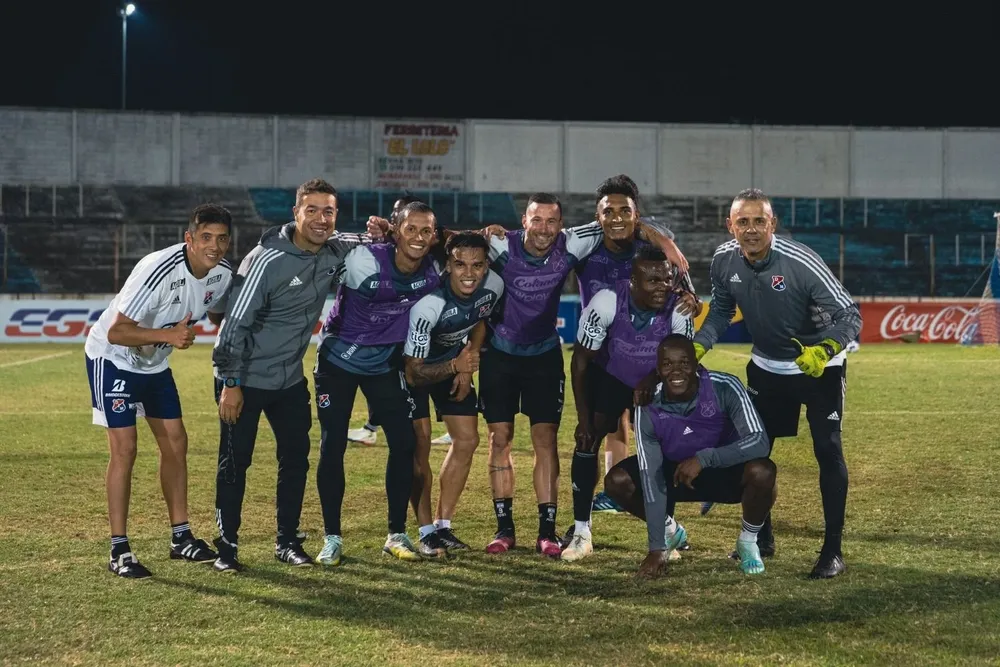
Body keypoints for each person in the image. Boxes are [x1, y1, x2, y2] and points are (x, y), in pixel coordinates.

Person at [479, 192, 686, 557]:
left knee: (647, 442)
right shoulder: (578, 244)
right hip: (590, 360)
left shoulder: (642, 251)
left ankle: (564, 527)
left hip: (630, 364)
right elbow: (452, 242)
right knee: (533, 438)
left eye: (551, 221)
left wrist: (664, 241)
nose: (544, 228)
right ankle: (533, 528)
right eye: (536, 220)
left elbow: (667, 280)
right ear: (524, 221)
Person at [692, 187, 862, 579]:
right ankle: (760, 536)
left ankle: (832, 550)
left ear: (773, 224)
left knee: (828, 449)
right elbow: (720, 309)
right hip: (767, 367)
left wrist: (826, 349)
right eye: (743, 222)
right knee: (755, 451)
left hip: (820, 367)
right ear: (730, 225)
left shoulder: (801, 261)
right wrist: (699, 346)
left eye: (759, 221)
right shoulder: (723, 259)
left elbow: (849, 314)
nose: (751, 230)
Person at [212, 178, 369, 573]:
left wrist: (379, 230)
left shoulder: (333, 249)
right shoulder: (266, 259)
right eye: (311, 210)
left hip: (288, 381)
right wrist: (230, 384)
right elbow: (232, 327)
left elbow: (362, 240)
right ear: (295, 213)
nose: (320, 219)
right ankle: (227, 547)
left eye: (328, 211)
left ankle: (286, 541)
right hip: (243, 379)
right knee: (234, 465)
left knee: (295, 460)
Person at [85, 204, 234, 578]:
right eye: (205, 238)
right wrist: (168, 335)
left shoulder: (223, 275)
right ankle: (119, 548)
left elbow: (217, 309)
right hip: (114, 357)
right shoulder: (158, 269)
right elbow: (117, 330)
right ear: (189, 238)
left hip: (154, 365)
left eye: (221, 239)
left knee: (176, 441)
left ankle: (180, 537)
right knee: (125, 449)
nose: (213, 247)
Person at [314, 201, 442, 564]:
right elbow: (325, 249)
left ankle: (395, 533)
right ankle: (332, 537)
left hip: (383, 363)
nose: (418, 237)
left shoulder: (433, 269)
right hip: (338, 361)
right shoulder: (364, 261)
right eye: (410, 229)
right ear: (395, 231)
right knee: (332, 444)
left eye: (426, 231)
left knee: (404, 444)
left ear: (434, 237)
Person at [573, 174, 701, 514]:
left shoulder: (655, 252)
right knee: (609, 425)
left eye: (625, 212)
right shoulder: (585, 245)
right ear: (597, 216)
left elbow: (685, 289)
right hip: (604, 357)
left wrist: (690, 295)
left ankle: (683, 492)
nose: (616, 219)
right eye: (608, 212)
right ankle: (604, 499)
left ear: (636, 214)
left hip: (651, 356)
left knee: (661, 433)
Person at [561, 246, 695, 562]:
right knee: (587, 440)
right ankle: (582, 532)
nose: (663, 287)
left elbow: (683, 365)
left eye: (667, 279)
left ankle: (664, 534)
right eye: (653, 281)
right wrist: (583, 418)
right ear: (632, 281)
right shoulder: (607, 301)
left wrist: (652, 380)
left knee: (665, 450)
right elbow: (580, 361)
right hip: (610, 376)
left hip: (657, 381)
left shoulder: (679, 308)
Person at [603, 335, 776, 577]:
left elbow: (759, 441)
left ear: (697, 365)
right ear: (658, 369)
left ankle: (748, 542)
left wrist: (705, 459)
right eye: (667, 364)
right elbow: (650, 474)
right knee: (617, 480)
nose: (676, 371)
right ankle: (671, 532)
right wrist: (656, 549)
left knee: (763, 471)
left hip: (724, 475)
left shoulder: (725, 386)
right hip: (675, 477)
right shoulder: (647, 402)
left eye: (684, 363)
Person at [403, 232, 505, 555]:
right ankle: (425, 533)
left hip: (453, 363)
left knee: (467, 440)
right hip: (414, 369)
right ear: (447, 265)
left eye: (477, 265)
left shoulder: (495, 286)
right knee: (419, 444)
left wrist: (469, 359)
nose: (469, 273)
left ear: (487, 265)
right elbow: (412, 372)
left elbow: (479, 320)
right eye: (460, 264)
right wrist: (455, 367)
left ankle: (444, 526)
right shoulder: (429, 304)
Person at [347, 192, 424, 447]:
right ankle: (372, 428)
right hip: (387, 333)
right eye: (394, 213)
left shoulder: (425, 251)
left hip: (413, 333)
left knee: (413, 387)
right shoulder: (386, 246)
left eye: (399, 213)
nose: (393, 217)